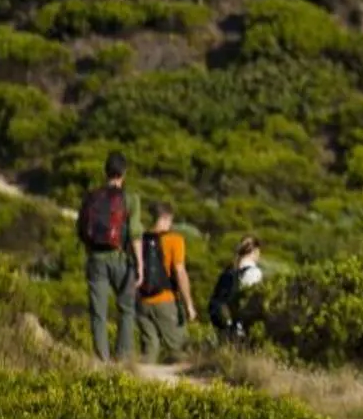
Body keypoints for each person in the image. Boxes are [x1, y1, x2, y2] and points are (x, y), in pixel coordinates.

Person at [75, 153, 140, 362]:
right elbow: (135, 234)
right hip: (119, 257)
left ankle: (101, 358)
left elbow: (81, 229)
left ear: (106, 171)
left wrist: (90, 251)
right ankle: (122, 356)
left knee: (98, 311)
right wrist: (140, 264)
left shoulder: (91, 197)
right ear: (124, 173)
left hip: (95, 259)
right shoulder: (130, 199)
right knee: (127, 308)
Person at [132, 203, 196, 363]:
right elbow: (180, 272)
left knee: (149, 352)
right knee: (180, 351)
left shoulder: (139, 239)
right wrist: (189, 304)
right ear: (166, 218)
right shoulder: (175, 240)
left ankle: (142, 383)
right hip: (165, 301)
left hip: (141, 302)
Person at [207, 236, 264, 342]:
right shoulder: (254, 272)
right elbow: (251, 300)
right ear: (255, 251)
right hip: (239, 325)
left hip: (223, 321)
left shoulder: (229, 270)